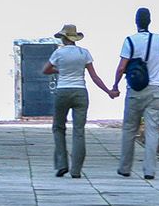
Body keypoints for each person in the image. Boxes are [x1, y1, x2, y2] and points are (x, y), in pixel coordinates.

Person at [43, 23, 114, 178]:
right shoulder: (84, 53)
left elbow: (46, 70)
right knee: (79, 131)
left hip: (63, 91)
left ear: (64, 38)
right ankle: (76, 170)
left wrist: (60, 70)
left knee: (58, 127)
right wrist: (108, 91)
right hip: (80, 92)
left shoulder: (58, 53)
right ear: (74, 38)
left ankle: (62, 164)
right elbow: (94, 76)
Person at [114, 7, 159, 179]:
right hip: (154, 90)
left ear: (136, 22)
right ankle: (149, 170)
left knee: (129, 129)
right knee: (152, 131)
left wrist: (115, 86)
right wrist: (157, 69)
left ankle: (125, 168)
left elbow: (121, 67)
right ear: (150, 21)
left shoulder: (130, 41)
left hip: (135, 90)